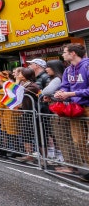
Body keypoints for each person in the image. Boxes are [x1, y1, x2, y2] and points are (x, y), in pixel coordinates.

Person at [54, 43, 89, 182]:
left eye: (65, 52)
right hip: (76, 108)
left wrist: (71, 93)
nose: (63, 54)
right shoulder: (68, 70)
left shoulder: (87, 66)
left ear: (73, 53)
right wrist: (60, 93)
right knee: (78, 141)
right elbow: (64, 86)